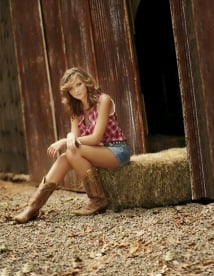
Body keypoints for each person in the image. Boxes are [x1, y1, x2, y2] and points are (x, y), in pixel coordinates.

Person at [14, 67, 131, 224]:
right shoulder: (75, 109)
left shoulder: (103, 100)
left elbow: (96, 138)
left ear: (86, 82)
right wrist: (70, 137)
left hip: (116, 149)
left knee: (71, 150)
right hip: (97, 151)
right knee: (65, 157)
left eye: (78, 84)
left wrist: (65, 140)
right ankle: (32, 207)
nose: (76, 91)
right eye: (71, 88)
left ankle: (97, 200)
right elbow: (75, 139)